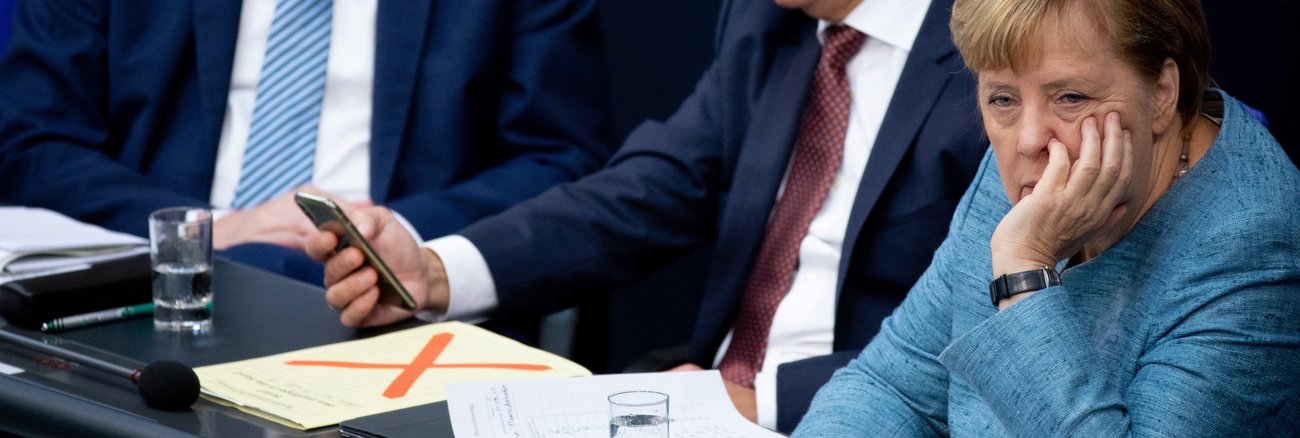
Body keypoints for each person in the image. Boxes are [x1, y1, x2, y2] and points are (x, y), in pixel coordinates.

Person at [307, 0, 990, 432]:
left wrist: (763, 403)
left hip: (855, 413)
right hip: (693, 404)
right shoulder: (764, 20)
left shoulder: (997, 57)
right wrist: (434, 271)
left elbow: (995, 331)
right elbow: (648, 191)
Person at [794, 0, 1300, 435]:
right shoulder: (1031, 162)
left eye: (1071, 97)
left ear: (1164, 93)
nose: (1030, 139)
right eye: (1003, 99)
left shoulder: (1253, 248)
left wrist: (1024, 274)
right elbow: (891, 387)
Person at [0, 0, 612, 282]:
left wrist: (384, 236)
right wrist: (207, 230)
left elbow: (561, 158)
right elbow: (31, 140)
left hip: (388, 305)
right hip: (160, 287)